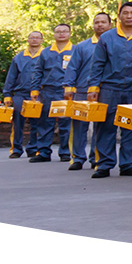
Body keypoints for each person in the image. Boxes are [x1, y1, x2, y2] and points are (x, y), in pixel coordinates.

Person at [88, 1, 132, 179]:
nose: (129, 16)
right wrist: (93, 88)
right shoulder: (107, 37)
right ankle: (104, 164)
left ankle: (128, 164)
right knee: (105, 126)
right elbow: (97, 64)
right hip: (109, 88)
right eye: (125, 13)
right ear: (118, 16)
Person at [64, 12, 111, 171]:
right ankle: (77, 157)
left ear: (110, 25)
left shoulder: (114, 43)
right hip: (82, 91)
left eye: (103, 22)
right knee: (78, 127)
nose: (100, 25)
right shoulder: (82, 46)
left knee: (101, 128)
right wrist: (69, 88)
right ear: (93, 25)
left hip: (105, 92)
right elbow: (72, 67)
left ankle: (96, 158)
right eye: (97, 22)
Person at [2, 31, 47, 160]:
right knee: (17, 122)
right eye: (32, 37)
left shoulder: (46, 56)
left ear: (42, 40)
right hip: (20, 94)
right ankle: (16, 149)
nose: (35, 40)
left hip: (38, 94)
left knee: (36, 123)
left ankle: (33, 148)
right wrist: (7, 94)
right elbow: (11, 77)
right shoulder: (18, 57)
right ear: (28, 40)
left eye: (37, 38)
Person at [40, 23, 75, 162]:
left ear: (69, 34)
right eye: (58, 31)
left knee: (65, 123)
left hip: (66, 92)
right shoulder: (46, 52)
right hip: (48, 91)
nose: (61, 34)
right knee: (45, 123)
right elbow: (38, 71)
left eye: (64, 31)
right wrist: (35, 89)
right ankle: (43, 152)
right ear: (54, 34)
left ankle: (65, 152)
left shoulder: (75, 50)